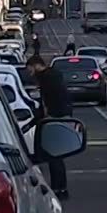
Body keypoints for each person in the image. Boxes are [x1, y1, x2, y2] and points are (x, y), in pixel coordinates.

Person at [25, 55, 72, 198]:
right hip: (62, 116)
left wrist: (41, 117)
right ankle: (60, 187)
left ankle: (59, 188)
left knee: (53, 154)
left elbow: (46, 101)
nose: (30, 73)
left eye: (30, 69)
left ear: (35, 65)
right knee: (56, 154)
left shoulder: (45, 78)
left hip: (53, 117)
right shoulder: (54, 75)